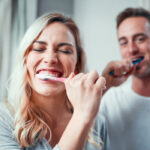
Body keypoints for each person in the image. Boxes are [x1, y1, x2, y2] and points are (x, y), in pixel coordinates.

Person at [0, 13, 108, 150]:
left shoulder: (97, 122)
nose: (50, 58)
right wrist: (81, 117)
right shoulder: (3, 119)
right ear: (25, 59)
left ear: (77, 63)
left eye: (64, 50)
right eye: (39, 48)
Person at [101, 7, 150, 150]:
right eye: (124, 42)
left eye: (140, 39)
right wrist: (104, 82)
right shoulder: (108, 101)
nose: (131, 49)